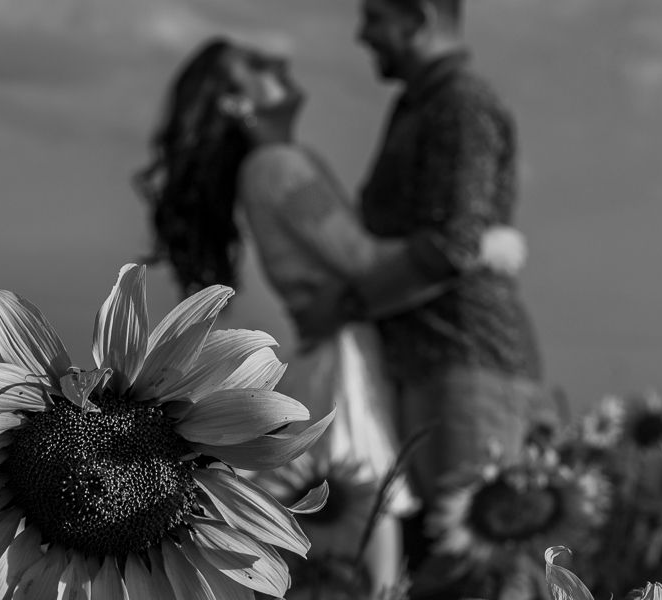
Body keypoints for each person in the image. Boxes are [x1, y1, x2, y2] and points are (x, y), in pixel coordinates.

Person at [135, 37, 526, 596]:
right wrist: (485, 244)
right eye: (255, 64)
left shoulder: (265, 169)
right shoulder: (278, 166)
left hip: (331, 349)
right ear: (232, 101)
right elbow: (362, 259)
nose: (280, 59)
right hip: (341, 358)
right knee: (372, 529)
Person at [354, 0, 555, 577]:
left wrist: (345, 302)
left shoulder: (460, 104)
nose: (362, 35)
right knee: (441, 568)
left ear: (416, 19)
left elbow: (454, 242)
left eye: (374, 18)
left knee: (481, 571)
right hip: (433, 360)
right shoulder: (417, 104)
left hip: (467, 358)